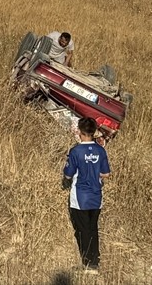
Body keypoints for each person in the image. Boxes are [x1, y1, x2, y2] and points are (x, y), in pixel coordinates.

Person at [62, 117, 111, 274]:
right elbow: (106, 173)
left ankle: (89, 264)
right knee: (93, 228)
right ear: (94, 131)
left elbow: (68, 175)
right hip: (96, 196)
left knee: (83, 230)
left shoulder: (76, 151)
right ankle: (95, 261)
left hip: (80, 196)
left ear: (80, 132)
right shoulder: (101, 150)